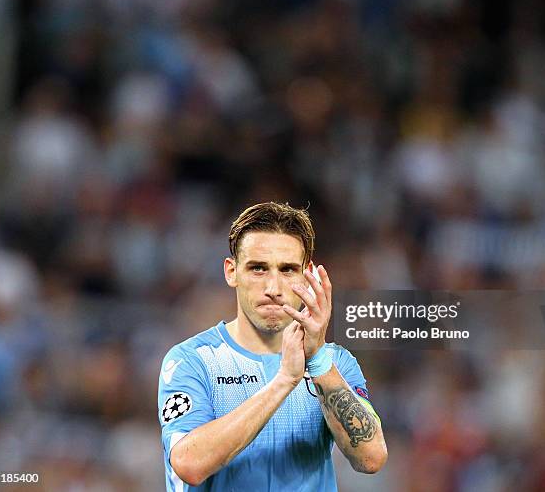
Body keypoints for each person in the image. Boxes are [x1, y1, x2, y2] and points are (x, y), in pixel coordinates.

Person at [158, 202, 387, 491]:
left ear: (308, 276)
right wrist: (284, 381)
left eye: (288, 269)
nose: (273, 288)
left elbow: (371, 458)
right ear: (232, 272)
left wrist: (316, 360)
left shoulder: (335, 364)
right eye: (258, 269)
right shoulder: (192, 360)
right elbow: (189, 464)